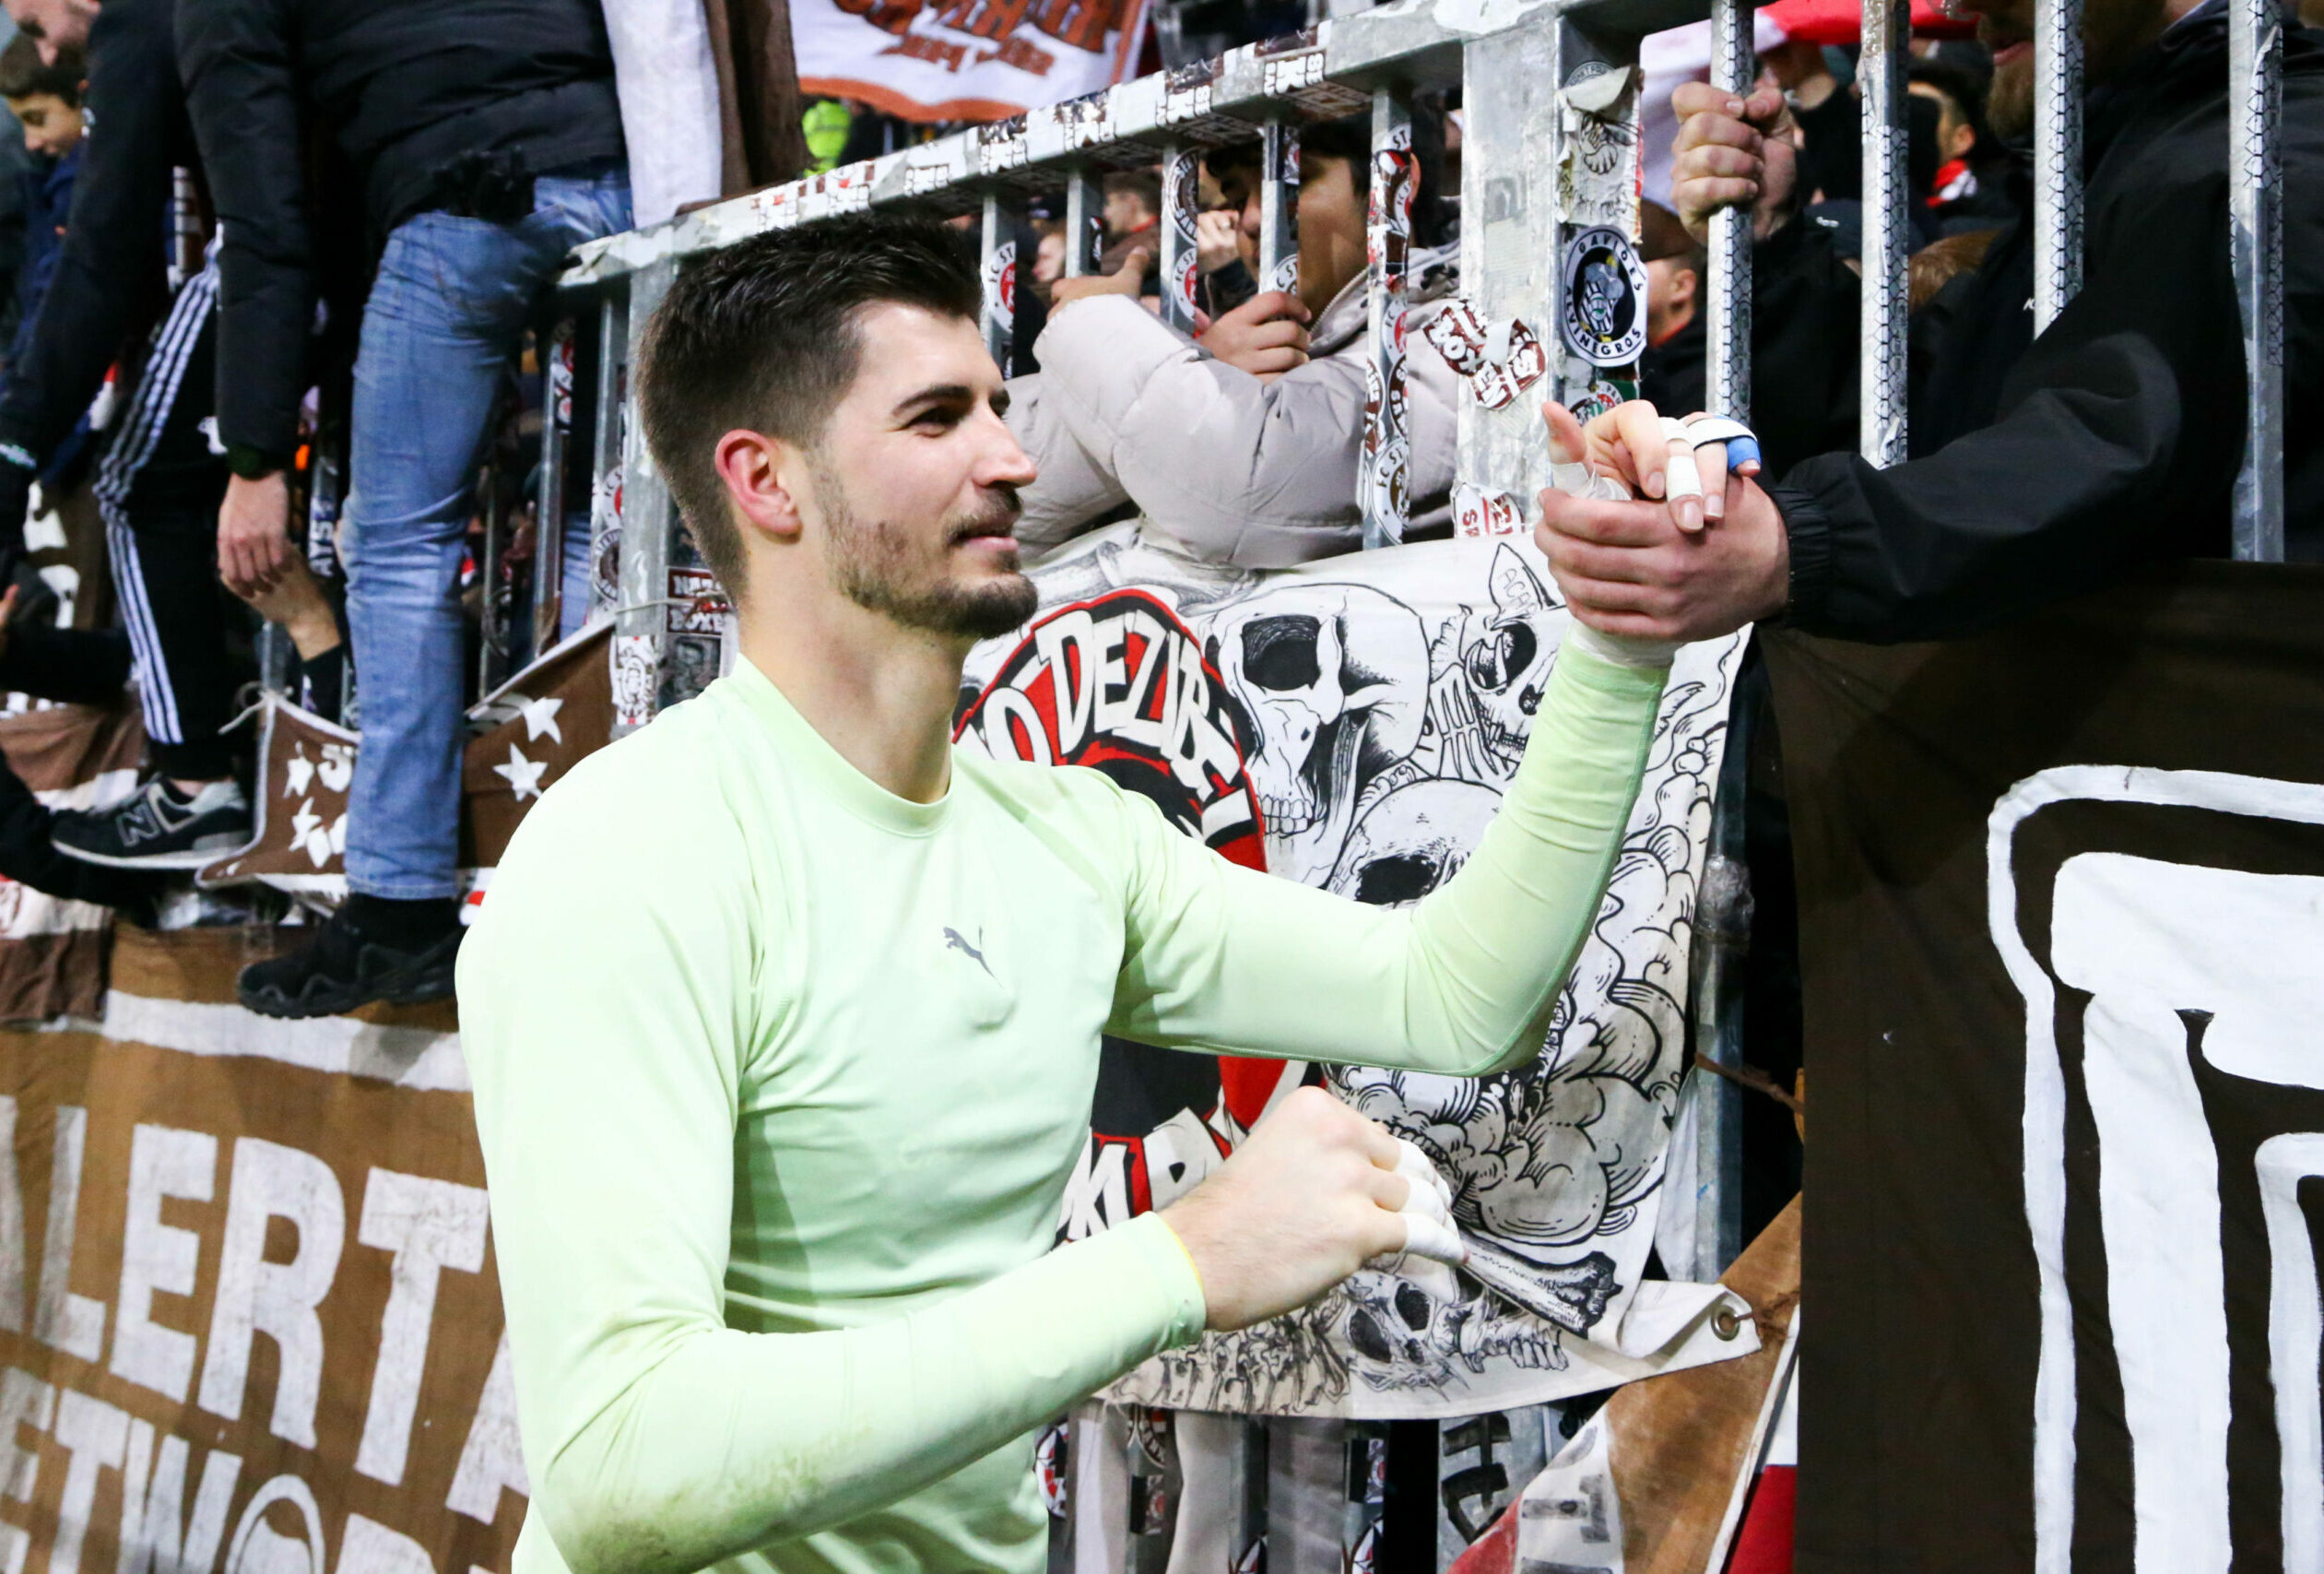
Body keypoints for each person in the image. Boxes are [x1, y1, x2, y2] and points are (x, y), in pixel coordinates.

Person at [457, 213, 1675, 1574]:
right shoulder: (627, 853)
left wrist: (1619, 646)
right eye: (936, 419)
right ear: (766, 482)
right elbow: (625, 1465)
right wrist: (1177, 1264)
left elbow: (1456, 995)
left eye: (997, 403)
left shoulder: (1067, 836)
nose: (1014, 456)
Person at [1540, 0, 2324, 645]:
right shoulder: (2101, 163)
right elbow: (1927, 421)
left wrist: (1801, 544)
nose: (1954, 5)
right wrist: (1772, 252)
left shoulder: (2274, 150)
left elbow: (2117, 435)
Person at [177, 0, 632, 1015]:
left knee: (396, 553)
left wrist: (256, 452)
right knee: (607, 514)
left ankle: (397, 903)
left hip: (467, 200)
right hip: (638, 179)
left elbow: (264, 217)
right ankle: (603, 843)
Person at [0, 0, 251, 870]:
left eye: (35, 22)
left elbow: (100, 256)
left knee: (136, 477)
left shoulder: (142, 24)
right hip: (316, 243)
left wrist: (16, 447)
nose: (47, 47)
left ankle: (193, 783)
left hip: (282, 252)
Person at [1008, 110, 1463, 566]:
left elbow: (1257, 491)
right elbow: (998, 501)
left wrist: (1098, 332)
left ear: (1394, 187)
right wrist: (1205, 370)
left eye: (1292, 183)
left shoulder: (1457, 331)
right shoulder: (1222, 347)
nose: (1251, 220)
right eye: (1239, 196)